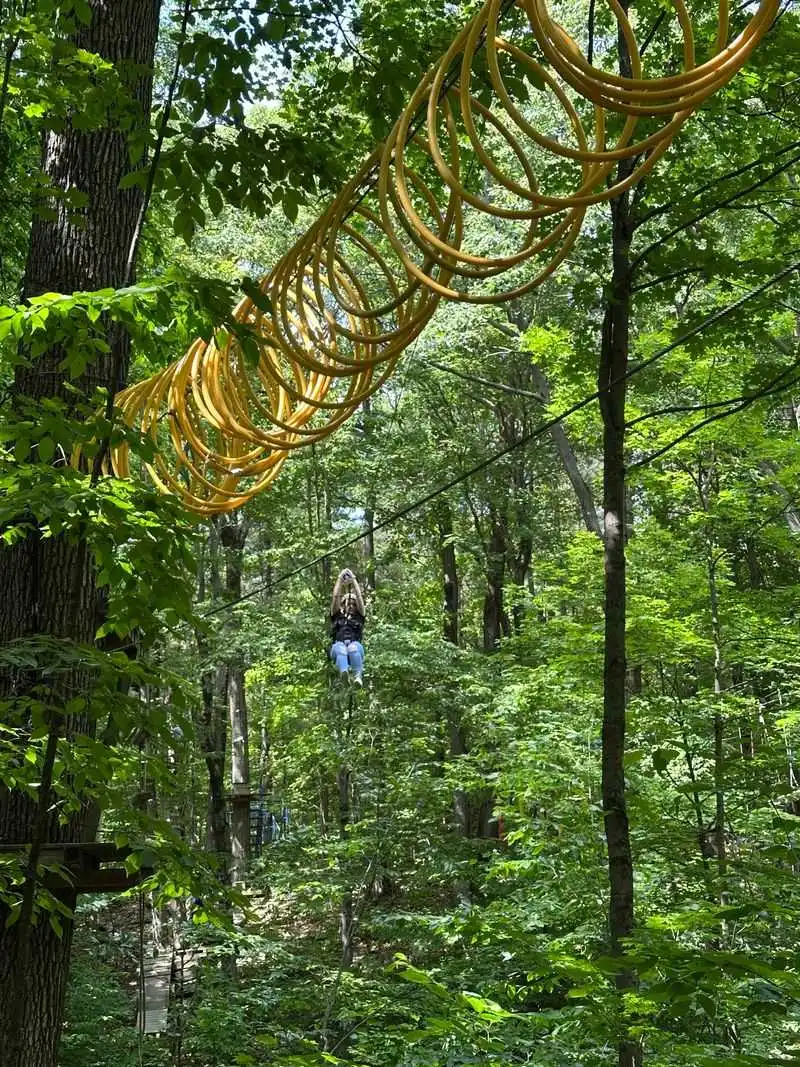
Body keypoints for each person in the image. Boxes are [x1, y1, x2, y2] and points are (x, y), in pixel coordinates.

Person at [329, 568, 366, 685]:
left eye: (353, 605)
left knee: (353, 648)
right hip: (339, 646)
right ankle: (344, 673)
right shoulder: (337, 615)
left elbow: (359, 598)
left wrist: (353, 579)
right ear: (343, 605)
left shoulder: (359, 617)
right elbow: (335, 597)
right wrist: (340, 579)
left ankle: (357, 677)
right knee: (341, 649)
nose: (351, 606)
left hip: (355, 645)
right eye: (348, 603)